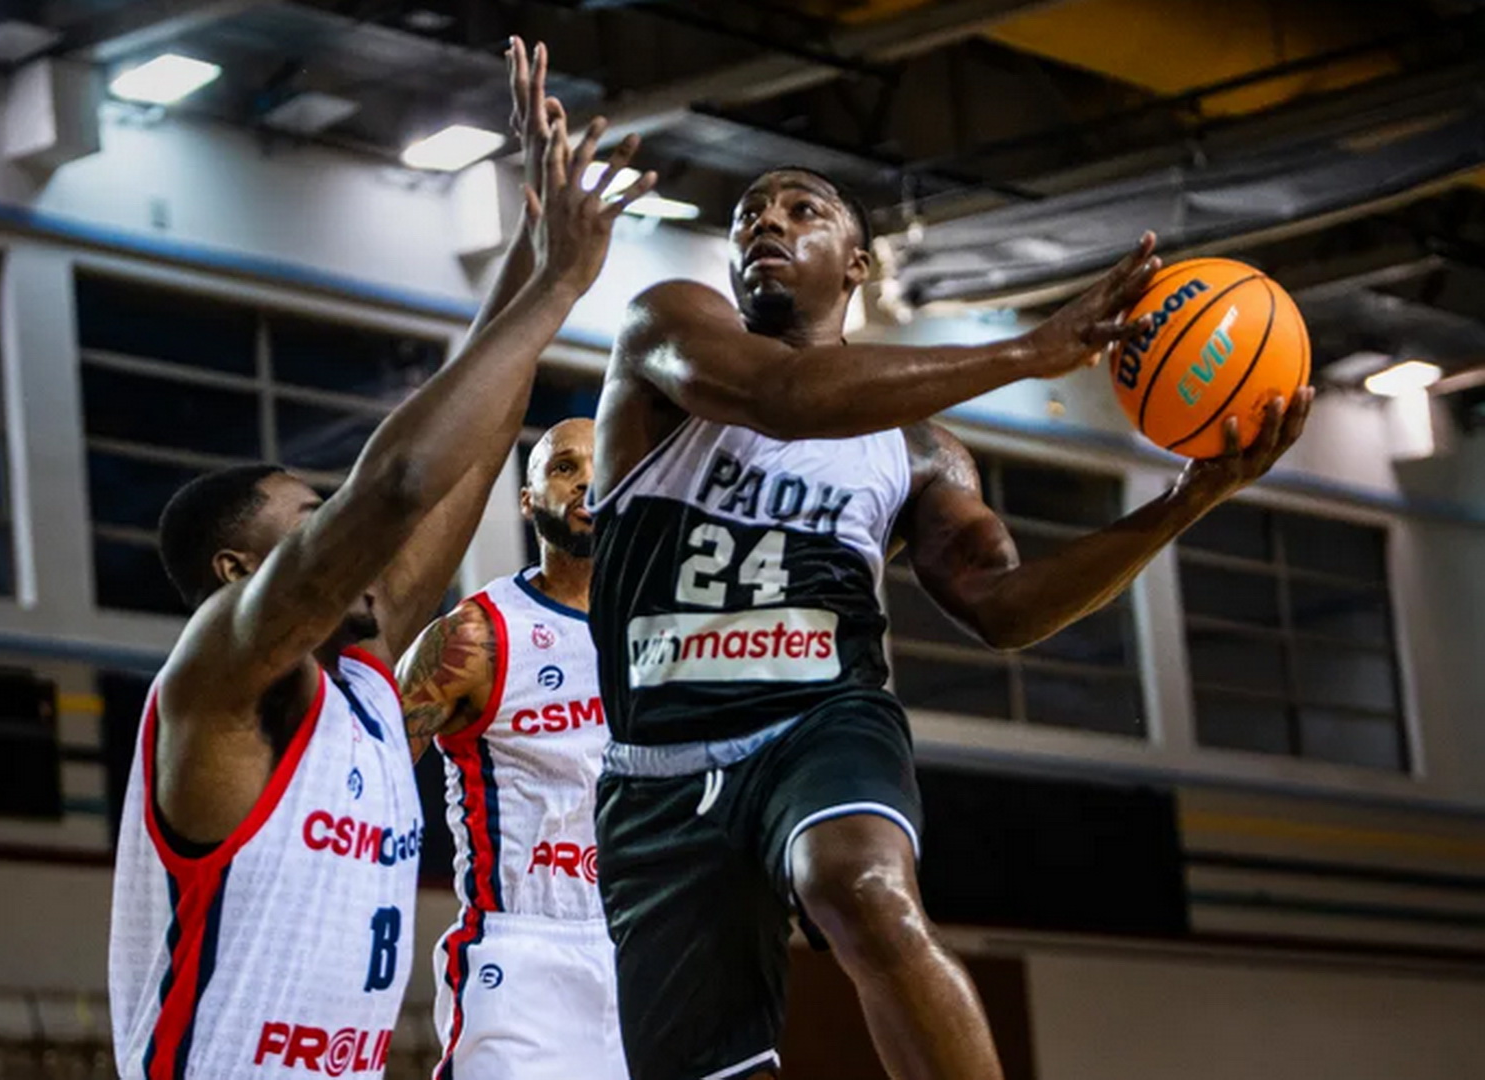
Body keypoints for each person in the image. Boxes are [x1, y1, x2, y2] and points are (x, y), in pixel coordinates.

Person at [588, 163, 1313, 1080]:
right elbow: (786, 398)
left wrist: (1185, 502)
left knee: (860, 885)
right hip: (657, 765)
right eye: (748, 214)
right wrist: (1029, 353)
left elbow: (1004, 609)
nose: (766, 223)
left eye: (802, 210)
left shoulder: (921, 451)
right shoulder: (668, 330)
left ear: (856, 264)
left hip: (816, 722)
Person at [107, 38, 657, 1080]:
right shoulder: (217, 680)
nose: (343, 537)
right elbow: (398, 484)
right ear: (237, 572)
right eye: (310, 519)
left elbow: (471, 451)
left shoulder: (360, 683)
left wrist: (532, 241)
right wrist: (560, 288)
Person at [398, 417, 623, 1080]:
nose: (586, 481)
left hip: (645, 939)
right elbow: (371, 773)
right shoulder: (475, 637)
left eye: (602, 465)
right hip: (523, 947)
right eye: (563, 467)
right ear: (528, 501)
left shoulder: (664, 630)